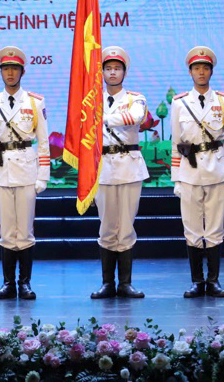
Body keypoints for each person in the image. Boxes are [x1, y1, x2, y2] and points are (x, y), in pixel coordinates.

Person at [0, 46, 49, 301]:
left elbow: (43, 142)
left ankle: (25, 283)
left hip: (27, 170)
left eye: (14, 69)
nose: (10, 73)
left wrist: (43, 176)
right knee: (7, 231)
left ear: (22, 72)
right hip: (0, 171)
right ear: (1, 72)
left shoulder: (35, 101)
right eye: (6, 69)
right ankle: (8, 284)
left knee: (26, 230)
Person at [171, 45, 224, 299]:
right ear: (190, 72)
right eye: (196, 68)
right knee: (192, 227)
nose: (201, 72)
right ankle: (197, 281)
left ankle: (214, 281)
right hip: (189, 171)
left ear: (211, 71)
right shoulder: (179, 103)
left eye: (205, 68)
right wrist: (176, 178)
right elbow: (176, 143)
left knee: (215, 227)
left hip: (217, 169)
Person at [90, 46, 148, 299]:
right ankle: (107, 283)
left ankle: (125, 283)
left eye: (117, 68)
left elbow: (135, 117)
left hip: (129, 167)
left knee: (125, 226)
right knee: (106, 227)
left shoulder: (136, 98)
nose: (112, 73)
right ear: (101, 72)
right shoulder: (91, 100)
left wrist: (101, 118)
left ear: (124, 72)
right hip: (102, 168)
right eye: (108, 68)